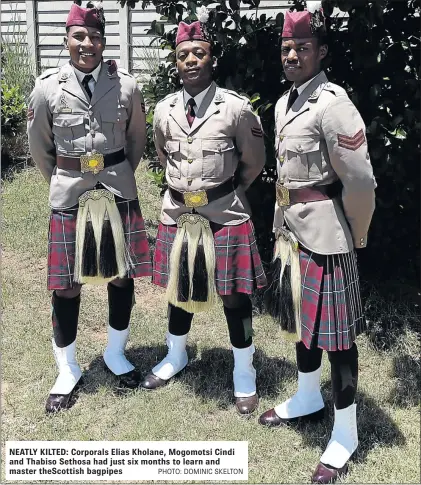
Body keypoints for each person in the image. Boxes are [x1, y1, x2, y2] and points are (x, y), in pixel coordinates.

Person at [260, 2, 376, 483]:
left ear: (321, 51)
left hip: (326, 234)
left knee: (337, 338)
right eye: (287, 47)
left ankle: (345, 431)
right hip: (290, 229)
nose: (292, 54)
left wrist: (357, 233)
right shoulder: (285, 102)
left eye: (302, 47)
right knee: (299, 323)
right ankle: (308, 396)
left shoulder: (333, 103)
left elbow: (361, 182)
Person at [27, 0, 152, 413]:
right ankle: (68, 368)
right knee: (66, 282)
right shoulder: (46, 88)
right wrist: (68, 179)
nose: (88, 44)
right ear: (66, 40)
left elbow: (136, 140)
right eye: (80, 36)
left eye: (95, 37)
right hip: (69, 194)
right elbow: (40, 149)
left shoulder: (127, 86)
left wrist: (114, 174)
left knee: (120, 275)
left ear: (103, 42)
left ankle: (116, 354)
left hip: (116, 189)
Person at [141, 11, 267, 416]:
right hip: (179, 213)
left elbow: (254, 162)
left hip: (224, 212)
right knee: (181, 287)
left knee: (234, 296)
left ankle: (243, 371)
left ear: (213, 59)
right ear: (175, 62)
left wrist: (221, 190)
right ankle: (175, 356)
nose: (191, 60)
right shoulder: (163, 111)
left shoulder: (235, 110)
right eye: (183, 55)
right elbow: (162, 153)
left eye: (200, 53)